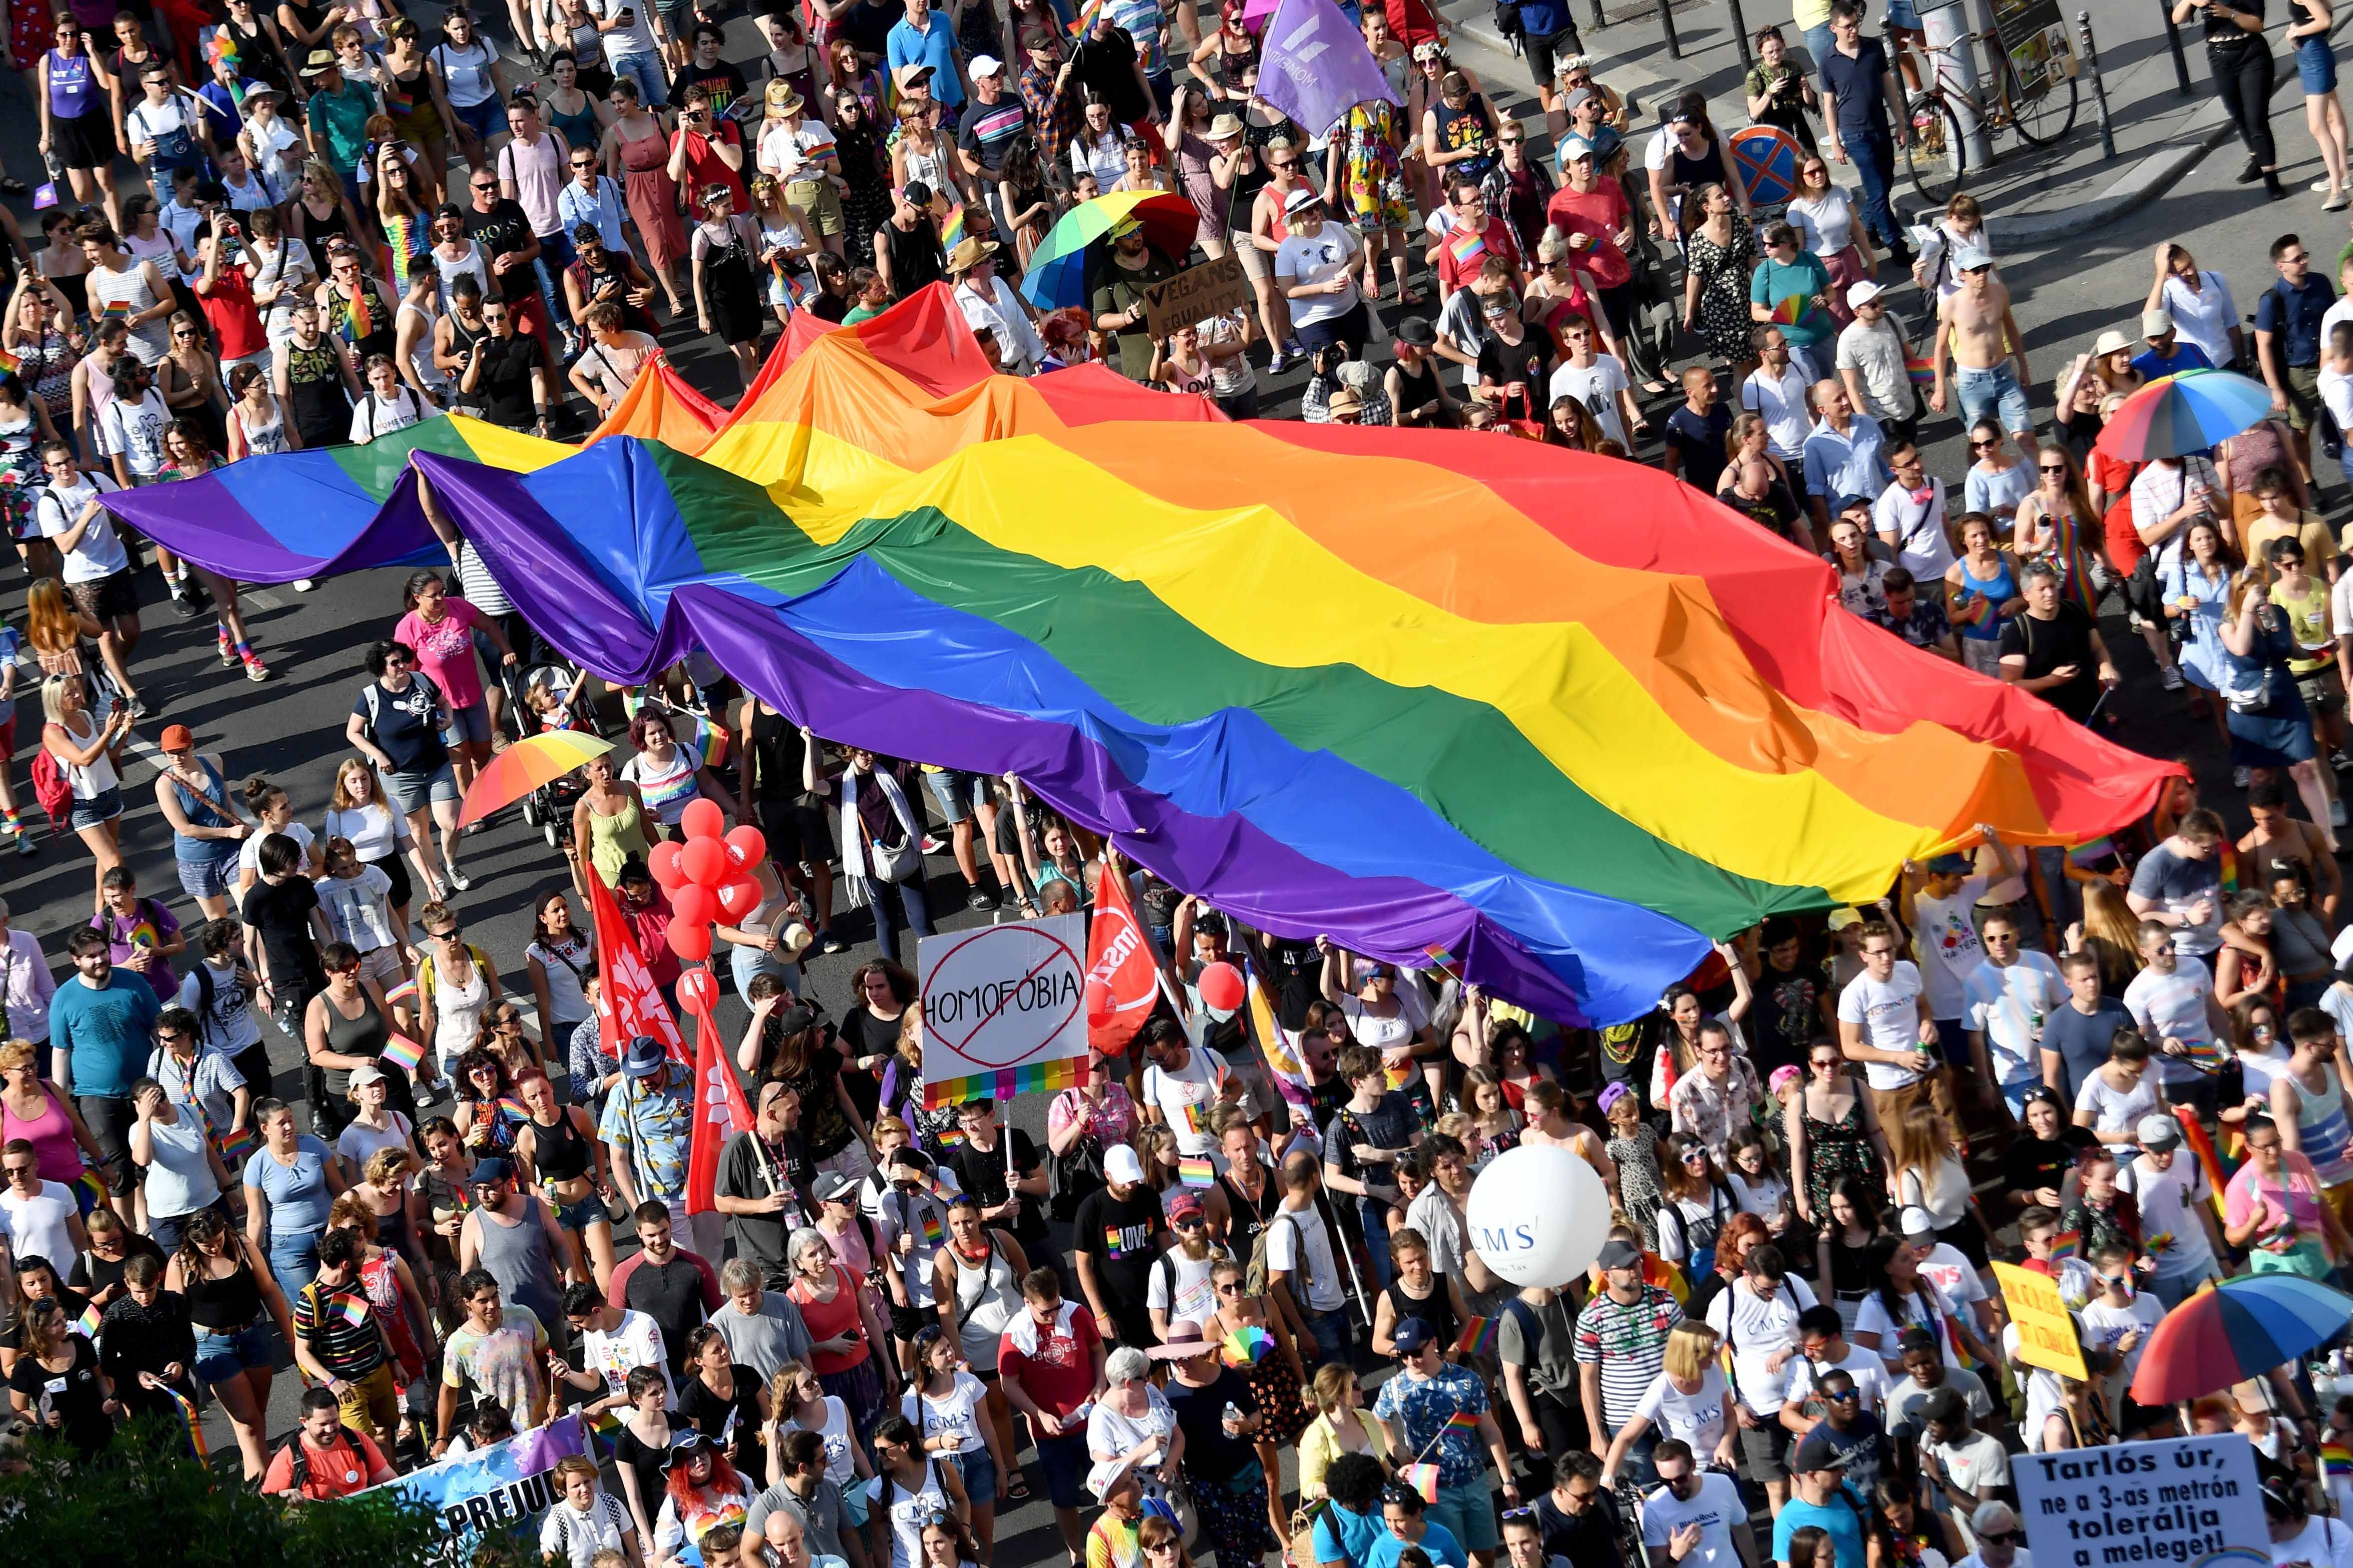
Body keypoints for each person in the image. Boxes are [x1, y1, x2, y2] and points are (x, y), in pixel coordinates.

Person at [1817, 2, 1911, 264]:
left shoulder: (1873, 48)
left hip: (1880, 126)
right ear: (1833, 28)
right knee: (1879, 188)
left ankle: (1868, 225)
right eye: (1847, 27)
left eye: (1856, 24)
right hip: (1855, 134)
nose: (1853, 30)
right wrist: (1835, 142)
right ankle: (1896, 242)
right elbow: (1829, 104)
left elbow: (1888, 88)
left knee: (1885, 183)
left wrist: (1901, 124)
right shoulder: (1828, 61)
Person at [2177, 0, 2291, 198]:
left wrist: (2229, 14)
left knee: (2256, 119)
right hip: (2219, 57)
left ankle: (2271, 180)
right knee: (2237, 115)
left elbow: (2258, 25)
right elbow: (2176, 18)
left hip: (2252, 55)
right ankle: (2257, 159)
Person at [1642, 1438, 1762, 1568]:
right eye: (1665, 1482)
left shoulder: (1722, 1484)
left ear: (1693, 1465)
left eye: (1681, 1479)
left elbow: (1742, 1532)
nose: (1674, 1486)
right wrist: (1675, 1557)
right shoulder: (1653, 1507)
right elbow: (1657, 1565)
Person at [260, 1385, 398, 1498]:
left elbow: (389, 1481)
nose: (330, 1429)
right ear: (304, 1422)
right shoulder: (288, 1458)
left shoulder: (357, 1441)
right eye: (323, 1424)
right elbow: (269, 1502)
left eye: (334, 1421)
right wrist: (286, 1497)